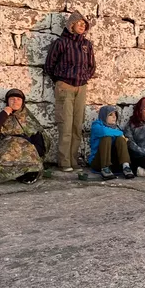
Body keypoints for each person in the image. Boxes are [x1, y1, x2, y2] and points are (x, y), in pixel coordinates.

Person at [44, 10, 95, 172]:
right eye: (79, 23)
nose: (82, 26)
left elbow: (91, 66)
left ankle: (73, 160)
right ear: (71, 25)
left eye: (84, 24)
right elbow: (49, 65)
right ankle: (64, 161)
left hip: (81, 87)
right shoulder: (61, 43)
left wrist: (83, 78)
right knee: (65, 124)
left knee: (77, 124)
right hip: (65, 86)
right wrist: (61, 80)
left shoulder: (87, 45)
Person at [0, 89, 46, 184]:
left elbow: (40, 143)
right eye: (12, 99)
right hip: (6, 151)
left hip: (26, 153)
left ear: (22, 102)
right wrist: (4, 114)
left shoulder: (29, 120)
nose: (15, 101)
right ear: (7, 101)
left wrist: (27, 147)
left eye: (18, 99)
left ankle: (26, 173)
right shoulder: (1, 117)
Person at [88, 105, 135, 180]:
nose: (114, 117)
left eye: (115, 114)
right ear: (104, 116)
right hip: (98, 162)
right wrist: (120, 133)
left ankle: (126, 166)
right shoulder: (96, 126)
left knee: (120, 139)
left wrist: (121, 137)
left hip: (113, 162)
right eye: (110, 115)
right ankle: (105, 168)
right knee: (106, 137)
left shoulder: (116, 128)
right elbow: (104, 131)